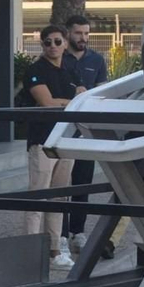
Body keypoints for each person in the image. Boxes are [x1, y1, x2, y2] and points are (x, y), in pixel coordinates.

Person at [20, 24, 83, 268]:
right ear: (42, 44)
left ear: (65, 43)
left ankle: (56, 249)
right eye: (48, 42)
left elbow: (84, 95)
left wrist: (66, 102)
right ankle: (29, 252)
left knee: (59, 197)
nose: (53, 46)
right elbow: (46, 102)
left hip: (65, 139)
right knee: (38, 195)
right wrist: (71, 101)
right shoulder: (35, 70)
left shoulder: (71, 69)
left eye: (58, 41)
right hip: (42, 141)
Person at [60, 13, 108, 256]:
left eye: (87, 33)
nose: (83, 38)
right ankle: (59, 233)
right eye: (79, 33)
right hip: (61, 130)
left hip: (86, 131)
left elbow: (102, 94)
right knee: (60, 185)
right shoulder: (58, 57)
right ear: (68, 33)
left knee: (82, 183)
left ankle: (78, 232)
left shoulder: (97, 60)